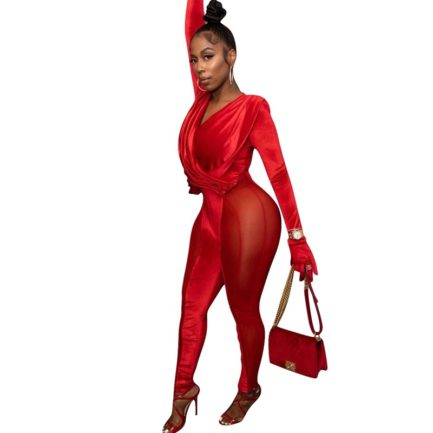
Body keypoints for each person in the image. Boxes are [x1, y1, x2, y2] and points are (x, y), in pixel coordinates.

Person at [162, 1, 318, 431]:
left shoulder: (253, 107)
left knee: (242, 311)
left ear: (231, 56)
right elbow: (191, 26)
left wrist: (298, 239)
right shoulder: (201, 101)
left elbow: (278, 172)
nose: (200, 68)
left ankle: (248, 388)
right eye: (194, 60)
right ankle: (183, 389)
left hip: (248, 218)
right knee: (191, 310)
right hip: (209, 221)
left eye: (208, 57)